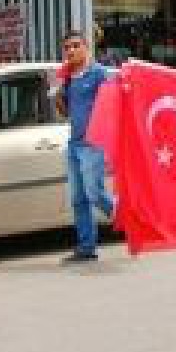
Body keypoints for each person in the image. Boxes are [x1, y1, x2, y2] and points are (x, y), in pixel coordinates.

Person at [53, 30, 116, 263]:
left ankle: (130, 220)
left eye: (75, 46)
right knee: (78, 198)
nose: (70, 51)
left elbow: (113, 102)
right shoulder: (68, 78)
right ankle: (86, 248)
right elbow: (66, 111)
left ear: (86, 48)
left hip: (93, 143)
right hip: (74, 144)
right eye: (67, 47)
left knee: (95, 192)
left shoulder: (99, 74)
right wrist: (56, 93)